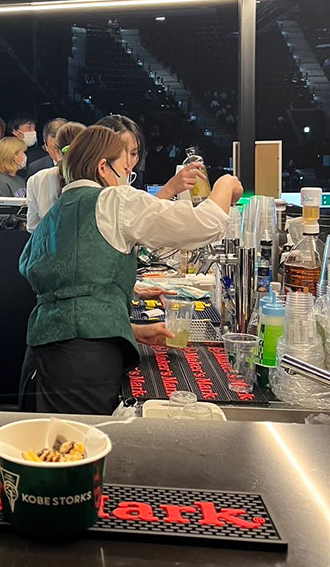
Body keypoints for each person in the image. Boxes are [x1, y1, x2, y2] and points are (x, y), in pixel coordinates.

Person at [19, 126, 242, 415]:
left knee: (50, 440)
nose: (127, 178)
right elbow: (204, 225)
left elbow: (74, 289)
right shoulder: (113, 200)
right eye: (125, 170)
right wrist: (226, 183)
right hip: (83, 365)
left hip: (39, 358)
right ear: (103, 167)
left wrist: (131, 330)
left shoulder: (56, 213)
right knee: (85, 440)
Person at [25, 115, 206, 232]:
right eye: (120, 153)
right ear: (99, 152)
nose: (127, 163)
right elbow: (138, 223)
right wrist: (170, 189)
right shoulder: (96, 195)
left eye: (133, 153)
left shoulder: (122, 187)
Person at [26, 121, 85, 232]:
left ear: (58, 150)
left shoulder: (38, 178)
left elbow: (32, 226)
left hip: (47, 240)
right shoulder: (97, 175)